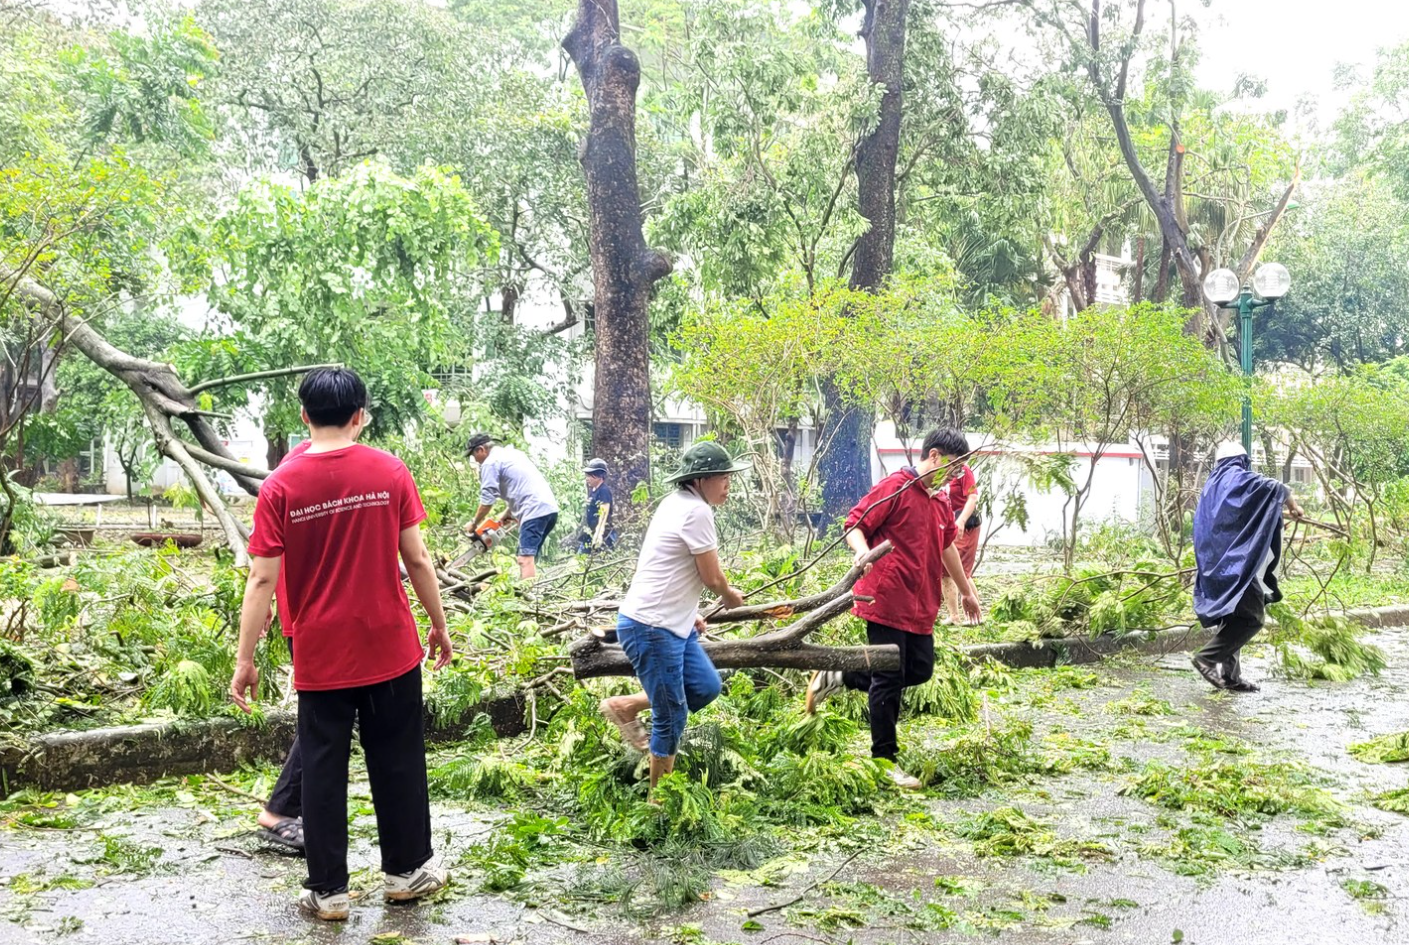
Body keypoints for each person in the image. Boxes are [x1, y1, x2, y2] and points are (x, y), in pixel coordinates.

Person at [229, 368, 454, 922]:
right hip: (389, 645)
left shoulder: (280, 485)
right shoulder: (389, 471)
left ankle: (328, 892)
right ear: (360, 416)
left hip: (320, 650)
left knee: (323, 767)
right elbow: (417, 559)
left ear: (304, 415)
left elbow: (260, 579)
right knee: (399, 760)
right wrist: (439, 624)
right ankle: (406, 874)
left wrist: (245, 658)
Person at [803, 428, 984, 790]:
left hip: (921, 605)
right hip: (886, 598)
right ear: (934, 456)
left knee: (919, 669)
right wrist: (862, 552)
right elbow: (855, 524)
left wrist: (966, 591)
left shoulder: (939, 501)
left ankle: (839, 676)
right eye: (953, 467)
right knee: (888, 678)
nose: (956, 476)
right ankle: (884, 762)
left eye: (960, 471)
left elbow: (947, 546)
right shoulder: (897, 487)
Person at [598, 442, 749, 790]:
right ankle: (660, 802)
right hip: (651, 627)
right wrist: (729, 597)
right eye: (723, 477)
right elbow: (711, 578)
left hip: (671, 623)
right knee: (672, 714)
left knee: (706, 687)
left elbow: (669, 567)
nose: (728, 484)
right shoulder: (696, 511)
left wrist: (689, 611)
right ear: (701, 479)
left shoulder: (678, 503)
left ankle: (626, 706)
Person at [1191, 441, 1303, 693]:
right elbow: (1276, 487)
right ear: (1241, 460)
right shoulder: (1239, 478)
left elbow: (1237, 519)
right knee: (1252, 617)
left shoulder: (1211, 488)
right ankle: (1207, 658)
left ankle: (1230, 677)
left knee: (1232, 616)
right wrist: (1294, 506)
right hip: (1235, 567)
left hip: (1212, 567)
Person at [254, 438, 312, 852]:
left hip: (304, 615)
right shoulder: (305, 467)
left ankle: (300, 809)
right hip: (309, 619)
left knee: (326, 719)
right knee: (322, 721)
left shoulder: (289, 471)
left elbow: (265, 551)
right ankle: (279, 811)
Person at [465, 433, 560, 580]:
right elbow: (522, 486)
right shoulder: (512, 454)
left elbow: (487, 501)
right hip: (549, 509)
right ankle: (532, 587)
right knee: (528, 557)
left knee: (524, 559)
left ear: (481, 450)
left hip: (533, 511)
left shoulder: (490, 463)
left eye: (473, 455)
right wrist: (508, 513)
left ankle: (527, 593)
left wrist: (474, 523)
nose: (475, 460)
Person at [941, 459, 981, 625]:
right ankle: (954, 616)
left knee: (962, 570)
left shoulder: (964, 471)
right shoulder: (941, 470)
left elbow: (973, 497)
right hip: (948, 525)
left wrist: (962, 521)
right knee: (945, 569)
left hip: (966, 525)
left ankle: (975, 616)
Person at [577, 457, 617, 554]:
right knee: (580, 558)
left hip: (603, 535)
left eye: (590, 476)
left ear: (599, 476)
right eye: (587, 475)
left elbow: (604, 514)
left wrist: (599, 534)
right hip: (590, 533)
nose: (587, 479)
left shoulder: (603, 491)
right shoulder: (593, 490)